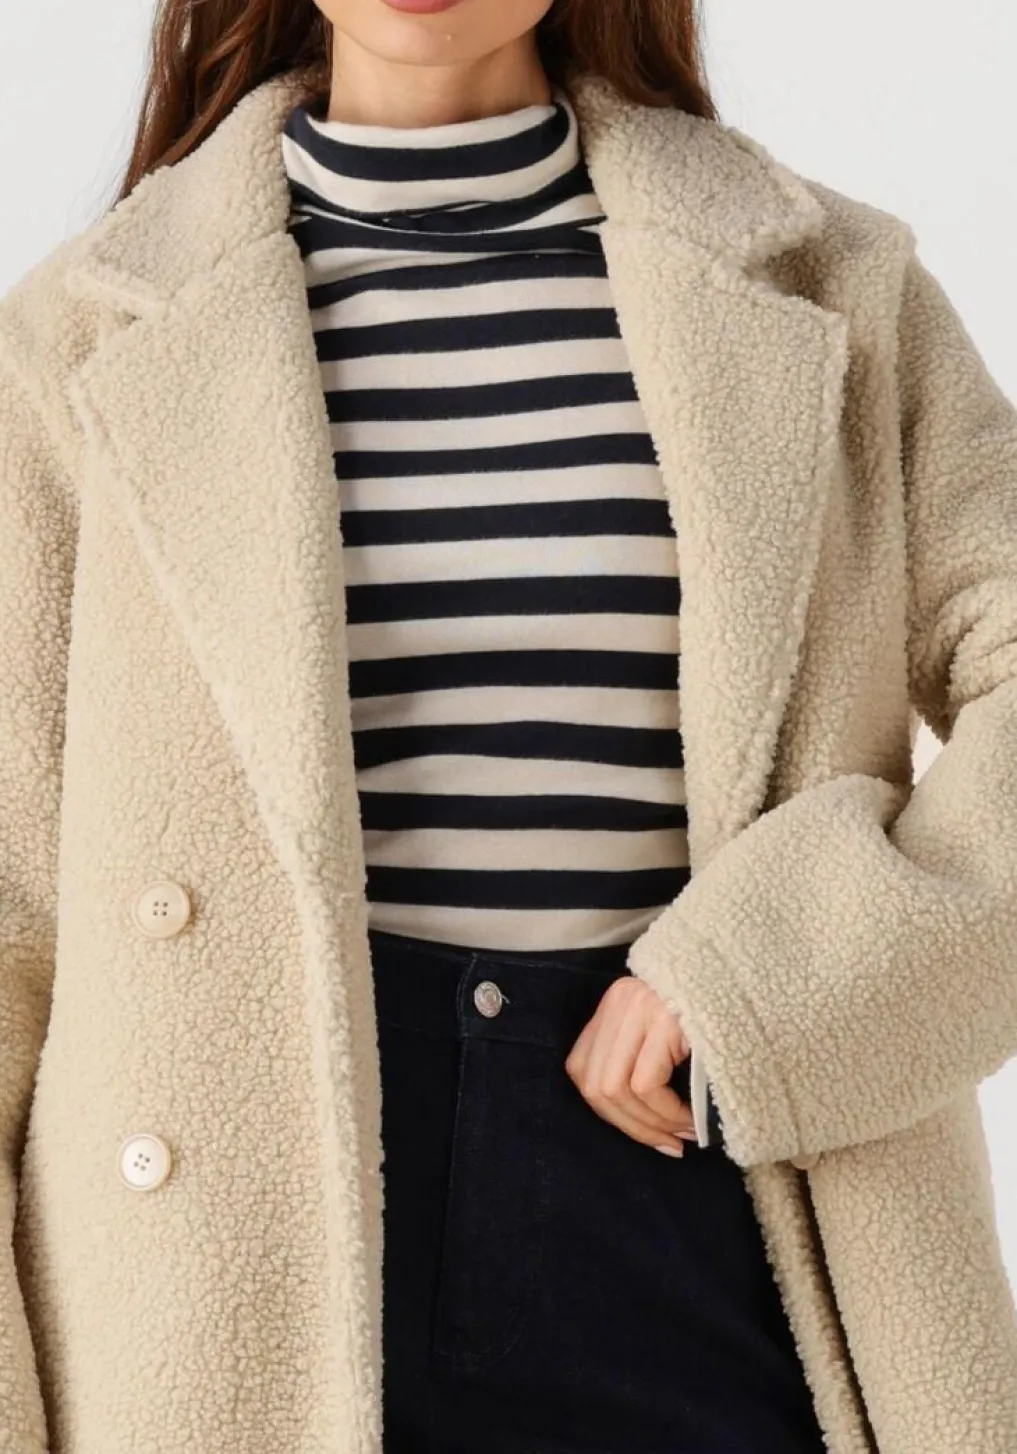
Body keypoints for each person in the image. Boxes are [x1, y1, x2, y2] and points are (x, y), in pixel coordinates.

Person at [1, 1, 1015, 1450]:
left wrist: (777, 976)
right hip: (231, 1290)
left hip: (701, 1200)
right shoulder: (73, 346)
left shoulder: (832, 288)